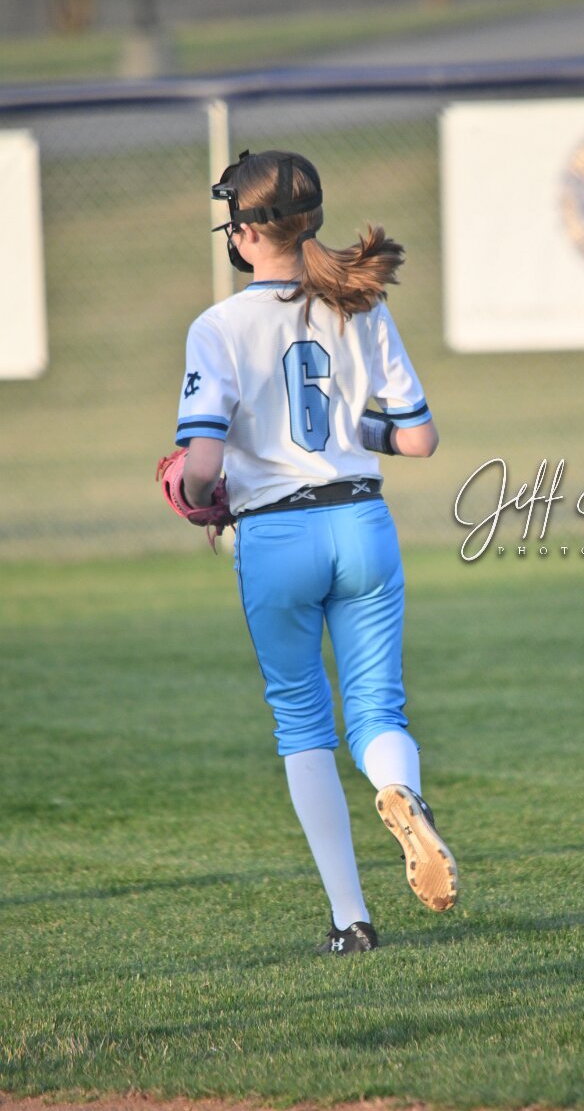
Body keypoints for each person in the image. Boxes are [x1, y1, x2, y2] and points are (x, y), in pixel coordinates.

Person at [170, 148, 458, 954]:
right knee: (379, 710)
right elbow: (419, 439)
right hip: (361, 522)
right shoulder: (361, 303)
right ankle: (400, 790)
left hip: (278, 534)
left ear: (247, 233)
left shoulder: (218, 326)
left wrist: (194, 493)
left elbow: (201, 464)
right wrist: (345, 435)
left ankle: (350, 919)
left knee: (302, 722)